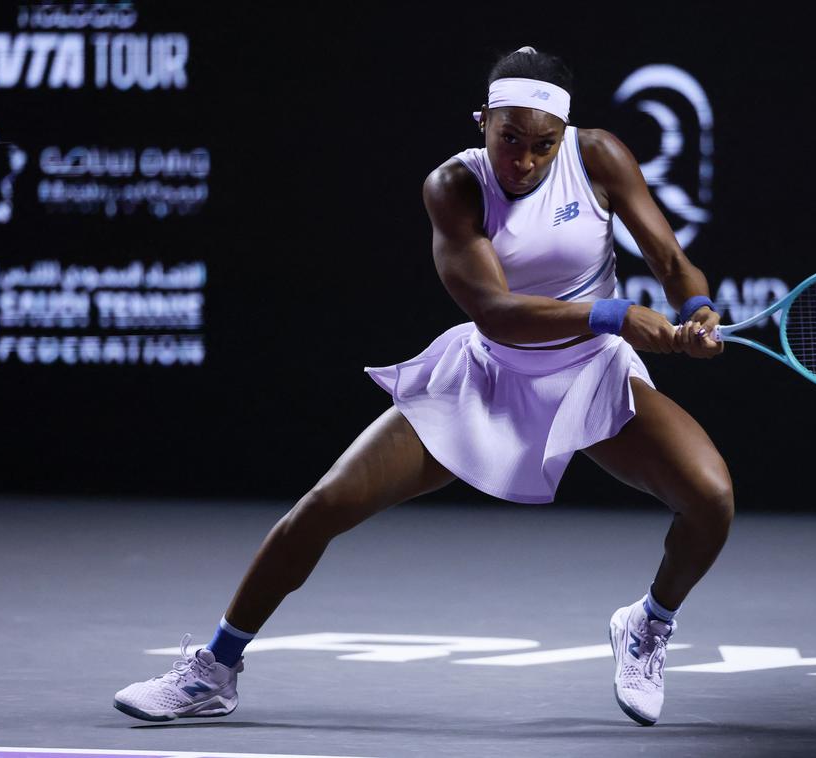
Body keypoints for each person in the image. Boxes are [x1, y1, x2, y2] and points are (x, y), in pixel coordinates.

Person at [114, 46, 734, 728]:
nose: (523, 161)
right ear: (482, 122)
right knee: (323, 506)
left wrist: (693, 309)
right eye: (509, 141)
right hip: (486, 378)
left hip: (590, 375)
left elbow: (673, 260)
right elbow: (496, 312)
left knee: (710, 498)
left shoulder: (601, 158)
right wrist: (614, 314)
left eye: (541, 146)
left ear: (565, 136)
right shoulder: (452, 187)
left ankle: (647, 625)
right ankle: (214, 669)